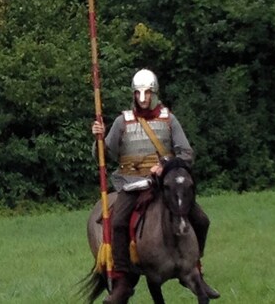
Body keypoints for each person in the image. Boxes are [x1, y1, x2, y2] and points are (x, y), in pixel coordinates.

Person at [90, 68, 220, 302]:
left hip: (163, 183)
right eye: (139, 93)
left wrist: (165, 164)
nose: (144, 97)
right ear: (134, 94)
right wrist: (98, 138)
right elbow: (104, 154)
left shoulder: (168, 119)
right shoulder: (123, 121)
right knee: (118, 222)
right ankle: (122, 281)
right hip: (131, 184)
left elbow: (186, 153)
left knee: (201, 219)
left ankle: (196, 270)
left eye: (147, 93)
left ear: (154, 94)